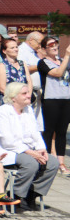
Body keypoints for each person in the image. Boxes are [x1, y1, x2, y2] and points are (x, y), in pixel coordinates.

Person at [0, 82, 59, 211]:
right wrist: (30, 152)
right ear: (13, 97)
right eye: (24, 93)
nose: (29, 96)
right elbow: (7, 140)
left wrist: (41, 149)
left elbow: (35, 132)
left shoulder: (28, 110)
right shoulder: (3, 111)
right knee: (31, 164)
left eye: (28, 93)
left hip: (28, 149)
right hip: (8, 150)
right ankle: (15, 195)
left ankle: (32, 194)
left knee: (53, 162)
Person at [38, 36, 70, 175]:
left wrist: (66, 58)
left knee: (62, 132)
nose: (54, 46)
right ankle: (48, 160)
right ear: (44, 49)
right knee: (49, 131)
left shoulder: (63, 61)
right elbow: (57, 73)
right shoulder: (43, 62)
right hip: (51, 100)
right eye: (50, 45)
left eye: (56, 44)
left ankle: (61, 162)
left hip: (66, 99)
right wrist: (68, 55)